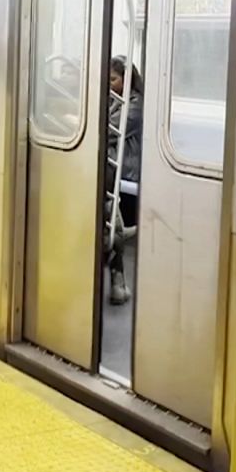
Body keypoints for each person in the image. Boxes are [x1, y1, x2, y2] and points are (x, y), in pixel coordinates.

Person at [105, 55, 143, 305]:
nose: (109, 84)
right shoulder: (112, 98)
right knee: (109, 213)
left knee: (108, 210)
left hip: (125, 169)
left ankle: (117, 280)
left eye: (113, 80)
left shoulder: (136, 105)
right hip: (110, 167)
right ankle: (117, 282)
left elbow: (109, 131)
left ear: (127, 80)